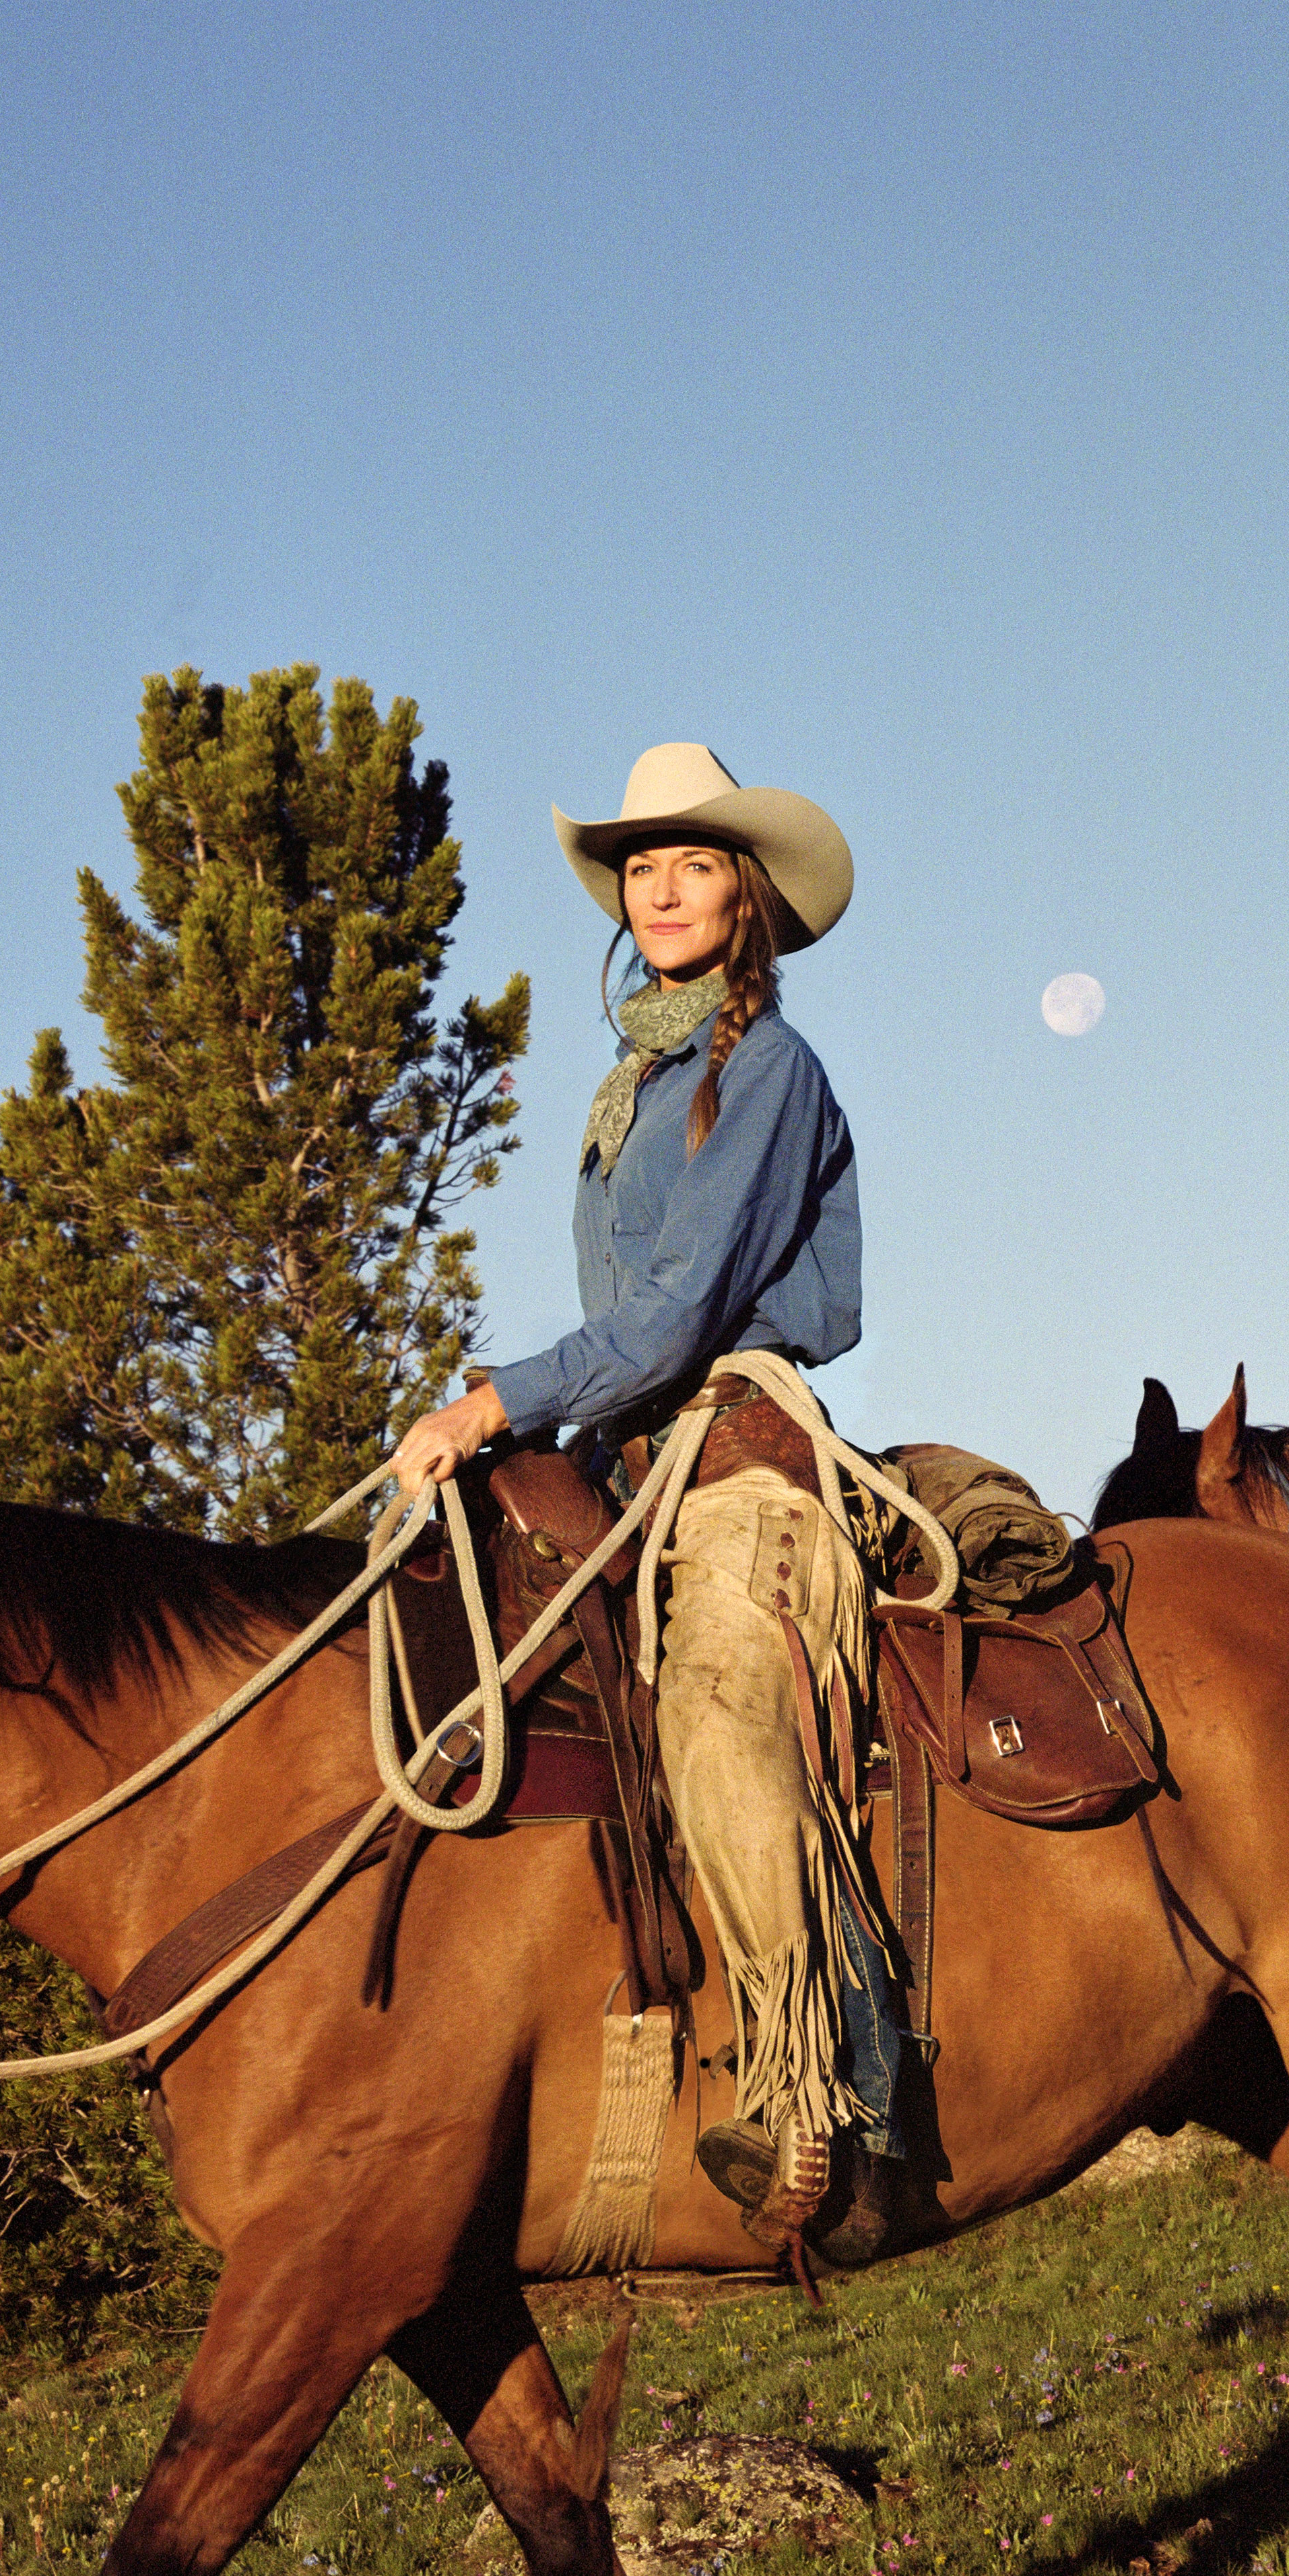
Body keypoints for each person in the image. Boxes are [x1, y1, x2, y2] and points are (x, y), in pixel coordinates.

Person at [391, 742, 914, 2259]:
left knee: (711, 1710)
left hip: (740, 1449)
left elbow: (679, 1313)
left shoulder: (766, 1072)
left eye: (694, 862)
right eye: (642, 864)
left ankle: (809, 2080)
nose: (662, 887)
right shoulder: (637, 1081)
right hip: (631, 1461)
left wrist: (496, 1396)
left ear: (746, 894)